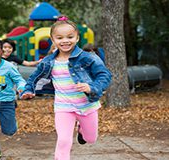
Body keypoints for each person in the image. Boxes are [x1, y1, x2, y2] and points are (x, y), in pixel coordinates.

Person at [20, 15, 112, 160]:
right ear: (53, 40)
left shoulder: (88, 57)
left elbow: (105, 75)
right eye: (60, 38)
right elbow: (33, 78)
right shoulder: (48, 62)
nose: (65, 41)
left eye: (70, 37)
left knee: (91, 139)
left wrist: (92, 87)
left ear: (77, 38)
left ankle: (81, 130)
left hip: (87, 105)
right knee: (63, 141)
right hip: (63, 107)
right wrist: (28, 90)